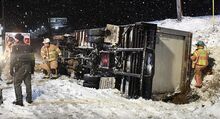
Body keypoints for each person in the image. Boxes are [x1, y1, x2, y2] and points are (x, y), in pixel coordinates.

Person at [10, 34, 35, 106]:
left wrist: (11, 69)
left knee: (17, 83)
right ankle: (29, 99)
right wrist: (32, 69)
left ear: (17, 39)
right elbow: (33, 59)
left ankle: (19, 101)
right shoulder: (29, 47)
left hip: (19, 67)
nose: (15, 40)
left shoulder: (15, 47)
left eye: (16, 39)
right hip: (28, 67)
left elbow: (12, 59)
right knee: (28, 83)